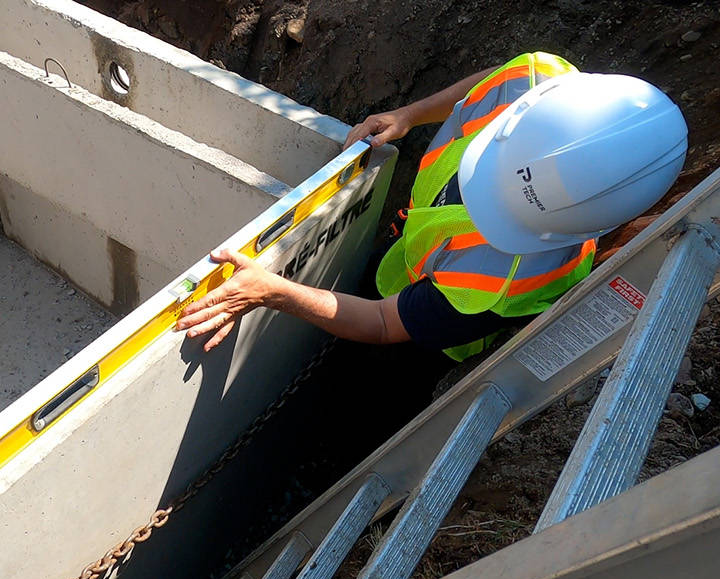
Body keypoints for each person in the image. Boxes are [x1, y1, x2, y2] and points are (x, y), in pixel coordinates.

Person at [174, 52, 688, 360]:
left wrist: (274, 292)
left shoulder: (500, 286)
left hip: (430, 336)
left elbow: (380, 324)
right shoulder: (538, 78)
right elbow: (491, 82)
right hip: (409, 258)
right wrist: (410, 114)